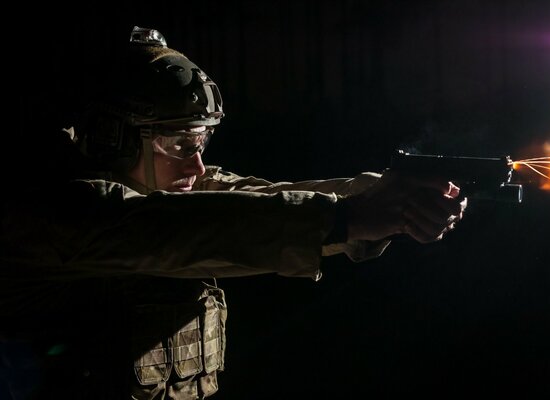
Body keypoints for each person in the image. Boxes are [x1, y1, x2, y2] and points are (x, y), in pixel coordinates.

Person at [1, 26, 466, 399]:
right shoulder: (54, 211)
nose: (197, 164)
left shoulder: (170, 182)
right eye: (180, 143)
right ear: (111, 138)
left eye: (201, 143)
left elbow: (254, 197)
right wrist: (348, 217)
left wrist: (376, 196)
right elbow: (187, 229)